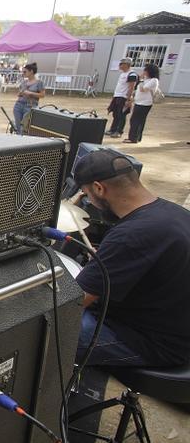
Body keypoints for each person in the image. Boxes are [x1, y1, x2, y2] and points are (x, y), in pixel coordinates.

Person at [72, 150, 190, 367]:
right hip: (174, 328)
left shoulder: (130, 236)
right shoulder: (175, 213)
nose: (88, 200)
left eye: (87, 194)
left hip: (157, 345)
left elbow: (74, 302)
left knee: (51, 334)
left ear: (99, 188)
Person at [125, 64, 159, 144]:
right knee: (138, 120)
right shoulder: (147, 80)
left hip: (145, 104)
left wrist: (140, 80)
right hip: (139, 102)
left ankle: (133, 138)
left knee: (135, 120)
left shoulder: (154, 80)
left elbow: (143, 89)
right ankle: (136, 137)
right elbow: (138, 91)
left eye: (145, 70)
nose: (144, 72)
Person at [106, 58, 139, 139]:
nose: (120, 65)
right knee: (115, 114)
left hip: (124, 97)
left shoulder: (132, 74)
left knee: (121, 115)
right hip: (117, 95)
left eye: (122, 64)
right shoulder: (122, 74)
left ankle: (119, 131)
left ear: (127, 65)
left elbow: (131, 87)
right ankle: (113, 129)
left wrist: (128, 99)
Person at [12, 62, 45, 134]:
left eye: (25, 71)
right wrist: (20, 93)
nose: (23, 73)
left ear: (31, 71)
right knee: (17, 125)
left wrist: (31, 93)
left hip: (30, 106)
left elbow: (42, 95)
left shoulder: (39, 82)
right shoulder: (24, 82)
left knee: (25, 126)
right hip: (19, 104)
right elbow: (19, 94)